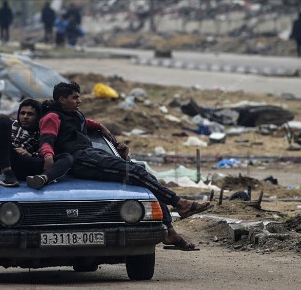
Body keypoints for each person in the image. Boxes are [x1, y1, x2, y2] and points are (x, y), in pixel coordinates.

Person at [39, 81, 211, 251]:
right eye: (75, 97)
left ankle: (170, 231)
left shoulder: (75, 114)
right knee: (133, 172)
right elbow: (46, 140)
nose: (79, 101)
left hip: (91, 154)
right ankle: (180, 203)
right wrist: (48, 156)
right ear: (62, 99)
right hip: (79, 160)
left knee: (143, 174)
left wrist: (101, 126)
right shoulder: (52, 117)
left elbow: (87, 123)